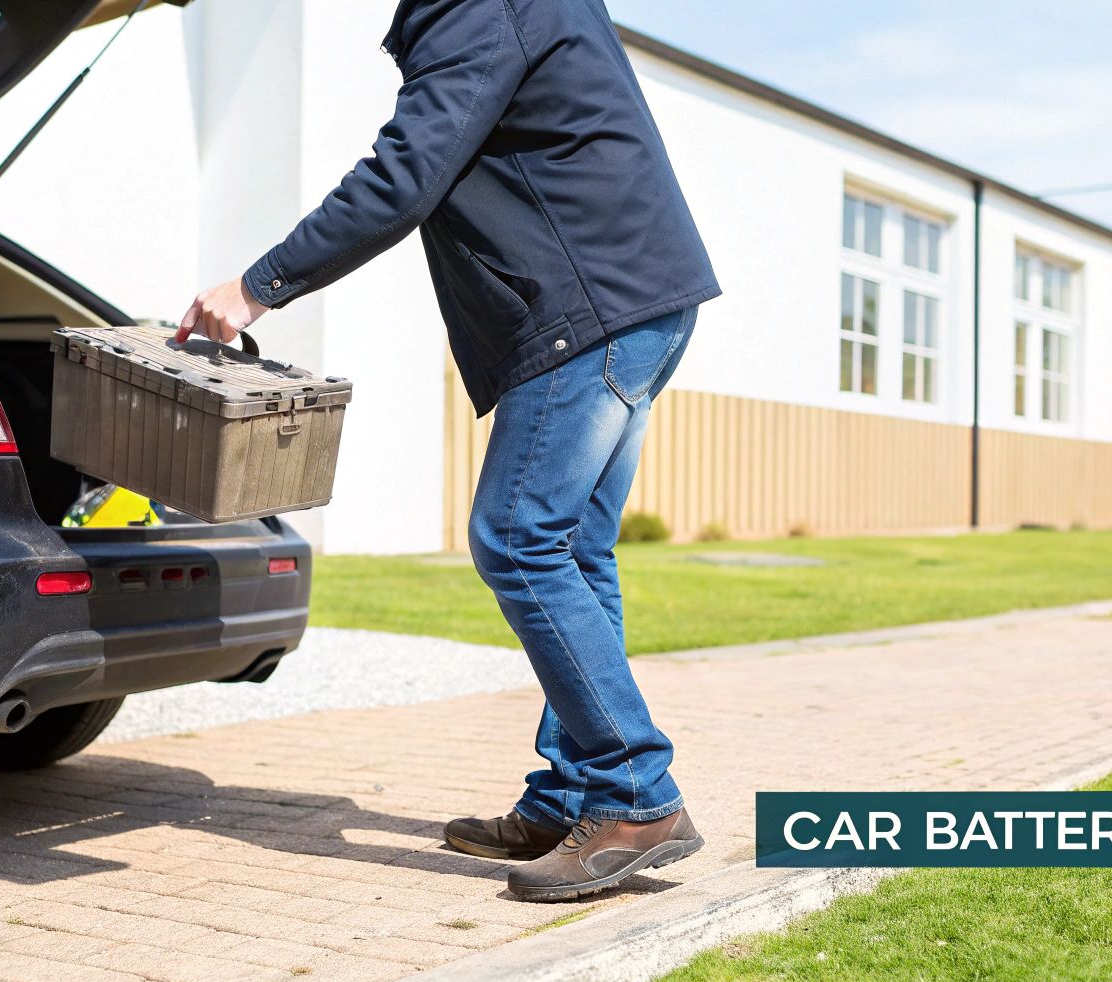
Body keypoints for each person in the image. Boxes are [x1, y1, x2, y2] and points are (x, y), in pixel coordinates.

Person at [176, 0, 719, 901]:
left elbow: (407, 172)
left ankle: (635, 794)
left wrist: (259, 284)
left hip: (586, 309)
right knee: (575, 551)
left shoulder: (477, 4)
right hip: (633, 300)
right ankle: (574, 797)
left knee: (518, 538)